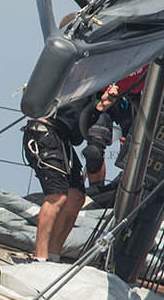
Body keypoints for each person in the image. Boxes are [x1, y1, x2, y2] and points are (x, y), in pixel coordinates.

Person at [24, 95, 109, 262]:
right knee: (56, 197)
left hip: (63, 140)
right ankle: (40, 258)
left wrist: (99, 108)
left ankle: (53, 256)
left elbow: (81, 135)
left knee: (76, 197)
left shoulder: (97, 96)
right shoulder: (81, 77)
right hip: (44, 132)